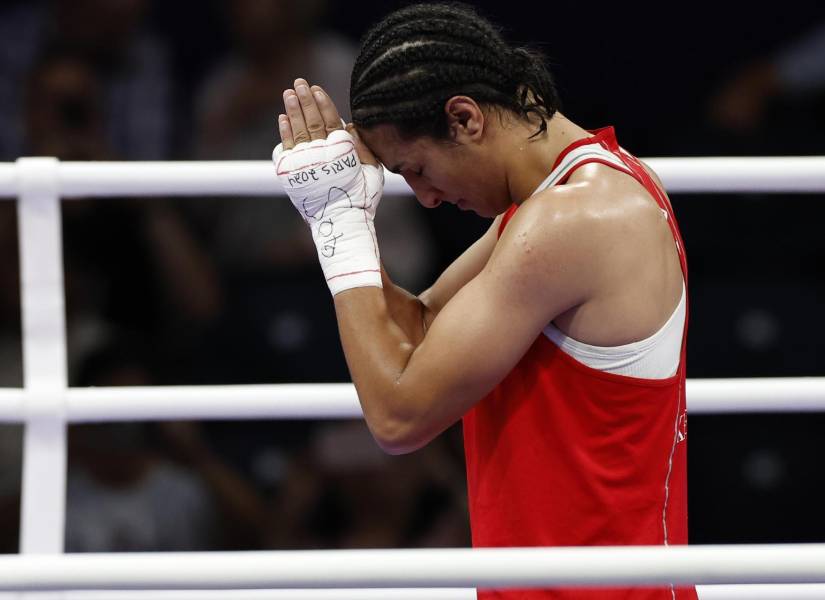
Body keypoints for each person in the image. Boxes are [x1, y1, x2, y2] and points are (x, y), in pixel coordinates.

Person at [272, 3, 694, 599]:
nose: (424, 198)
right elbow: (419, 327)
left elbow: (399, 417)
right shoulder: (572, 193)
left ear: (465, 118)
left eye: (416, 168)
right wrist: (346, 215)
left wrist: (336, 223)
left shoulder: (575, 220)